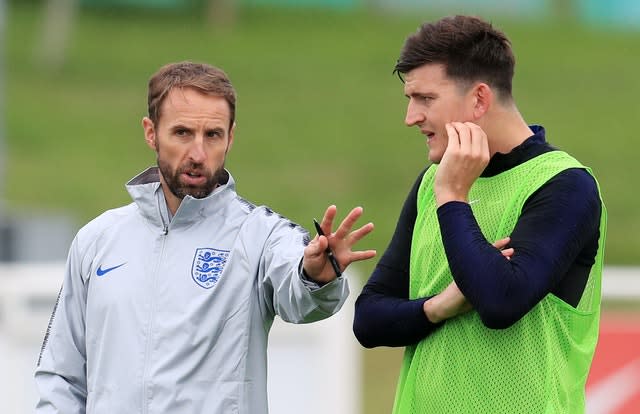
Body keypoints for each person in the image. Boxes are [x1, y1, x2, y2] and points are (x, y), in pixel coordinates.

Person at [35, 61, 376, 413]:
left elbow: (303, 299)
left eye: (212, 135)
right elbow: (62, 376)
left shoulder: (260, 234)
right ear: (151, 132)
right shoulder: (97, 240)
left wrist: (316, 277)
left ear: (230, 136)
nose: (198, 154)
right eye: (182, 133)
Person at [353, 15, 607, 414]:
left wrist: (454, 196)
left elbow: (501, 301)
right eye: (409, 99)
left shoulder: (565, 185)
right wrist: (436, 307)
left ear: (479, 99)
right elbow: (368, 320)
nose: (411, 117)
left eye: (425, 99)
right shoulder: (431, 183)